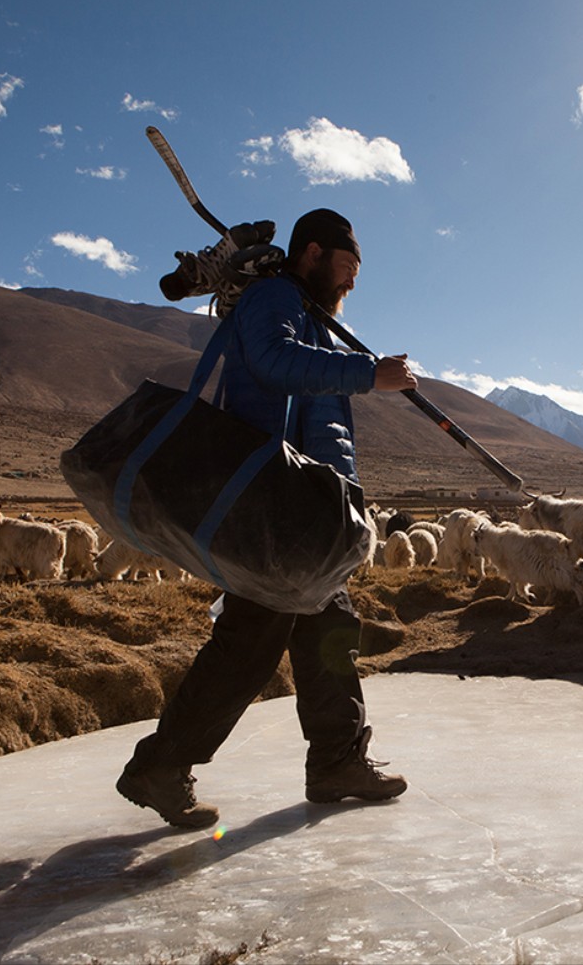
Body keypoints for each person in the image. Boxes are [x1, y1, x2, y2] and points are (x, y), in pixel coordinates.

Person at [117, 208, 418, 829]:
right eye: (345, 267)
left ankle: (337, 760)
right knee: (251, 641)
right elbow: (274, 363)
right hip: (274, 499)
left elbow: (318, 413)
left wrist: (346, 491)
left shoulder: (307, 314)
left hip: (309, 499)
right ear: (311, 253)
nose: (351, 283)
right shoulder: (274, 298)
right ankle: (160, 765)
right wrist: (369, 373)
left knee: (328, 629)